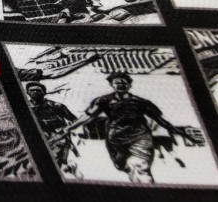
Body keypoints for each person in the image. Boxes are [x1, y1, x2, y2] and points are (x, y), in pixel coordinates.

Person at [55, 72, 202, 183]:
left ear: (129, 85)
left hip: (140, 137)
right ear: (111, 85)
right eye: (116, 82)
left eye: (123, 82)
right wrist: (68, 129)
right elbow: (87, 116)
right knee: (124, 167)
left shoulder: (141, 102)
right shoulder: (103, 100)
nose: (120, 84)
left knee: (142, 168)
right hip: (115, 139)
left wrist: (182, 133)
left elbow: (161, 121)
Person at [25, 82, 80, 174]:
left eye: (38, 90)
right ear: (27, 92)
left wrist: (67, 129)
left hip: (58, 136)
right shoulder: (26, 108)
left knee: (55, 160)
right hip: (37, 137)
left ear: (44, 92)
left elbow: (74, 120)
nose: (35, 92)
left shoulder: (57, 106)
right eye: (32, 90)